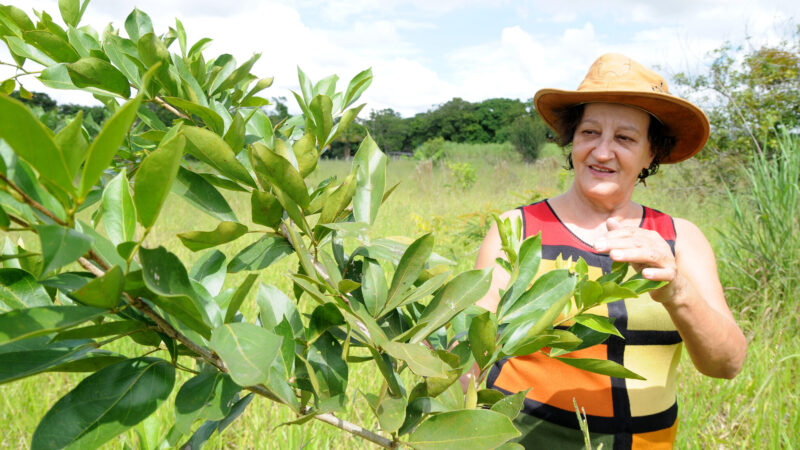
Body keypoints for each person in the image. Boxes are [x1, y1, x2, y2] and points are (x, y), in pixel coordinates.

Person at [474, 53, 746, 449]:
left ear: (651, 153)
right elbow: (469, 357)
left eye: (624, 138)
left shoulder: (681, 239)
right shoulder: (516, 229)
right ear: (572, 140)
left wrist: (676, 290)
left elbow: (727, 363)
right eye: (589, 133)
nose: (602, 152)